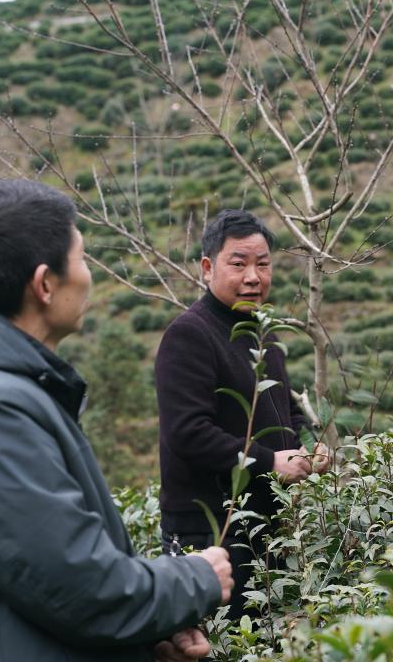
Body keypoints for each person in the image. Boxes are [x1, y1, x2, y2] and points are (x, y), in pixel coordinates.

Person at [0, 179, 233, 662]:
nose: (89, 274)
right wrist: (195, 579)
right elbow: (79, 587)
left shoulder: (7, 393)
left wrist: (142, 642)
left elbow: (29, 588)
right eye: (81, 258)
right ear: (45, 284)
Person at [155, 209, 328, 620]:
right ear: (207, 267)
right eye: (239, 264)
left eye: (263, 264)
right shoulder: (190, 334)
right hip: (210, 531)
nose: (253, 276)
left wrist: (310, 447)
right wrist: (270, 462)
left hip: (266, 528)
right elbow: (189, 434)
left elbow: (286, 412)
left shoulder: (261, 333)